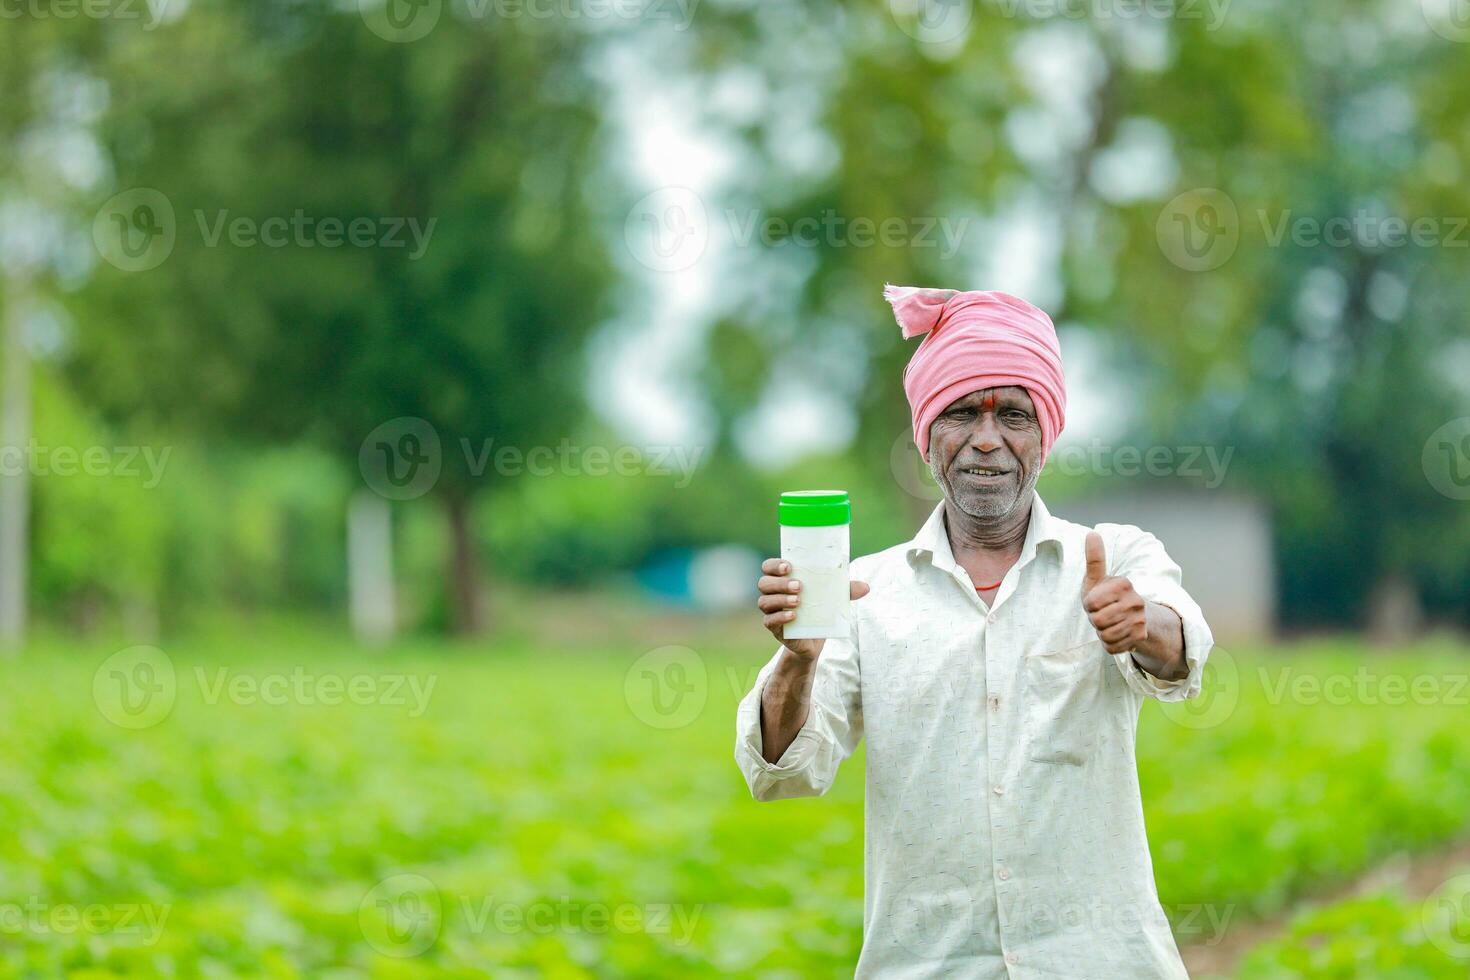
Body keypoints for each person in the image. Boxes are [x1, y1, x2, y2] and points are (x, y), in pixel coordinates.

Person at [735, 284, 1214, 978]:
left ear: (1043, 438)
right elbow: (783, 772)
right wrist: (798, 662)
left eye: (1013, 414)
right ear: (927, 436)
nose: (987, 438)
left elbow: (1181, 650)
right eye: (962, 412)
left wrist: (1143, 626)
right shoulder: (863, 594)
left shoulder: (1113, 557)